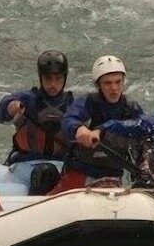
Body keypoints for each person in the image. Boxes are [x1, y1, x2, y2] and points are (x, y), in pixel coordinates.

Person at [49, 55, 144, 193]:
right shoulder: (88, 103)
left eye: (118, 82)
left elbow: (144, 135)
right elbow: (68, 119)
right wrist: (80, 129)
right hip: (82, 171)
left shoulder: (131, 109)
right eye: (107, 83)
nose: (114, 88)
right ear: (98, 85)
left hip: (115, 174)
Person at [0, 50, 74, 193]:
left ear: (65, 78)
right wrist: (10, 108)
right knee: (44, 173)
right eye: (48, 79)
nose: (53, 84)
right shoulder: (27, 99)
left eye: (58, 79)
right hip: (25, 166)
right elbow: (1, 114)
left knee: (47, 172)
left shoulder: (74, 105)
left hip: (61, 165)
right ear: (40, 78)